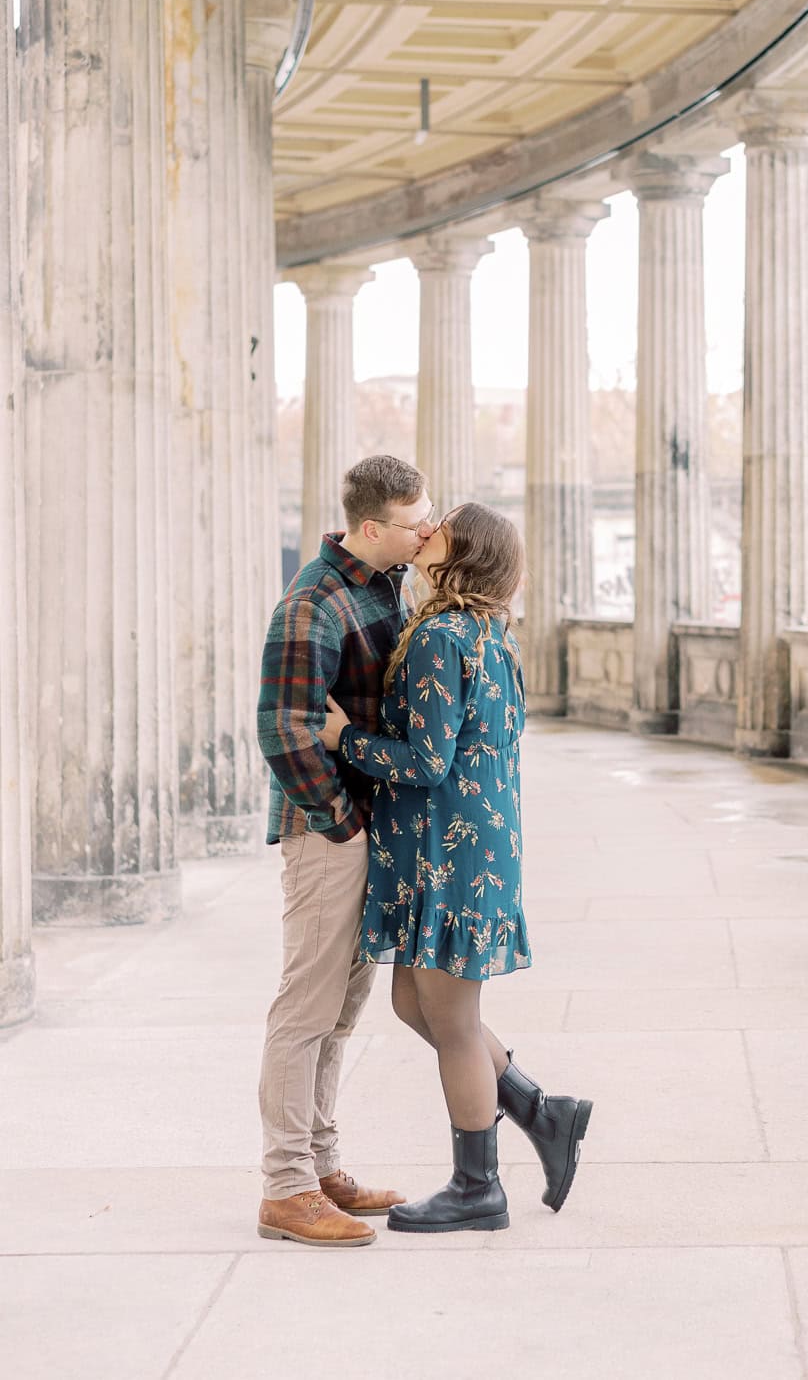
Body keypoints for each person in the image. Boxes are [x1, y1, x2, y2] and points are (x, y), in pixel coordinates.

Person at [320, 501, 592, 1234]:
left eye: (436, 526)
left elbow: (428, 761)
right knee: (418, 1005)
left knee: (453, 1020)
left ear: (460, 552)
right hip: (469, 846)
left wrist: (347, 737)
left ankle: (478, 1185)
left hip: (450, 853)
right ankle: (541, 1110)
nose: (424, 530)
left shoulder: (441, 636)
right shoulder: (487, 631)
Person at [255, 454, 434, 1248]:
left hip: (367, 824)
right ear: (370, 528)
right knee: (305, 1009)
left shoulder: (383, 580)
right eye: (413, 521)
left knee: (341, 1011)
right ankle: (285, 1186)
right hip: (329, 831)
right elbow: (282, 728)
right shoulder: (312, 604)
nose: (426, 528)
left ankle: (323, 1167)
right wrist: (339, 822)